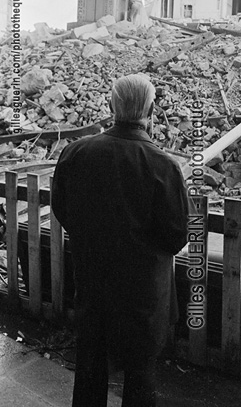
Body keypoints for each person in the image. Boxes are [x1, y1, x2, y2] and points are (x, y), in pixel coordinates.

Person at [51, 73, 192, 407]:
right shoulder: (163, 166)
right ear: (151, 110)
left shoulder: (75, 153)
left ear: (112, 105)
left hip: (93, 284)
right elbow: (176, 237)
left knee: (89, 371)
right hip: (143, 295)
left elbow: (62, 209)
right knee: (141, 378)